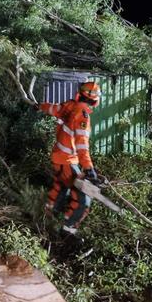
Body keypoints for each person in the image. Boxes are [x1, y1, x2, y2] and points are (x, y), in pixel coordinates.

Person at [36, 81, 101, 240]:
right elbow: (82, 145)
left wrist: (39, 106)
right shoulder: (83, 115)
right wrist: (88, 168)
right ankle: (67, 231)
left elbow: (53, 108)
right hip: (67, 160)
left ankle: (48, 218)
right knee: (83, 198)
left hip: (60, 157)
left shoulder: (69, 105)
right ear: (95, 100)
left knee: (62, 186)